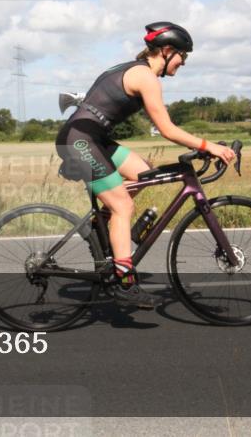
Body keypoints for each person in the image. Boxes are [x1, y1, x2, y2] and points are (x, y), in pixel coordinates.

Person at [56, 22, 238, 309]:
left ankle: (101, 226)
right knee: (123, 207)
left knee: (144, 172)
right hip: (80, 141)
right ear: (166, 51)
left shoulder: (137, 70)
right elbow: (167, 129)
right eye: (182, 56)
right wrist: (209, 145)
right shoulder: (146, 77)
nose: (183, 63)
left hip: (92, 138)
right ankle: (125, 283)